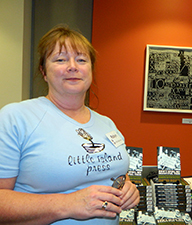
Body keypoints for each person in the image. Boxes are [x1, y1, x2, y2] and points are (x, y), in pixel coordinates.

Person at [0, 25, 139, 224]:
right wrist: (68, 204)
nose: (73, 66)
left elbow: (115, 175)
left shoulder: (107, 123)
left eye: (81, 60)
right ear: (44, 71)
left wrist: (129, 189)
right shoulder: (16, 118)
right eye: (60, 59)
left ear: (90, 69)